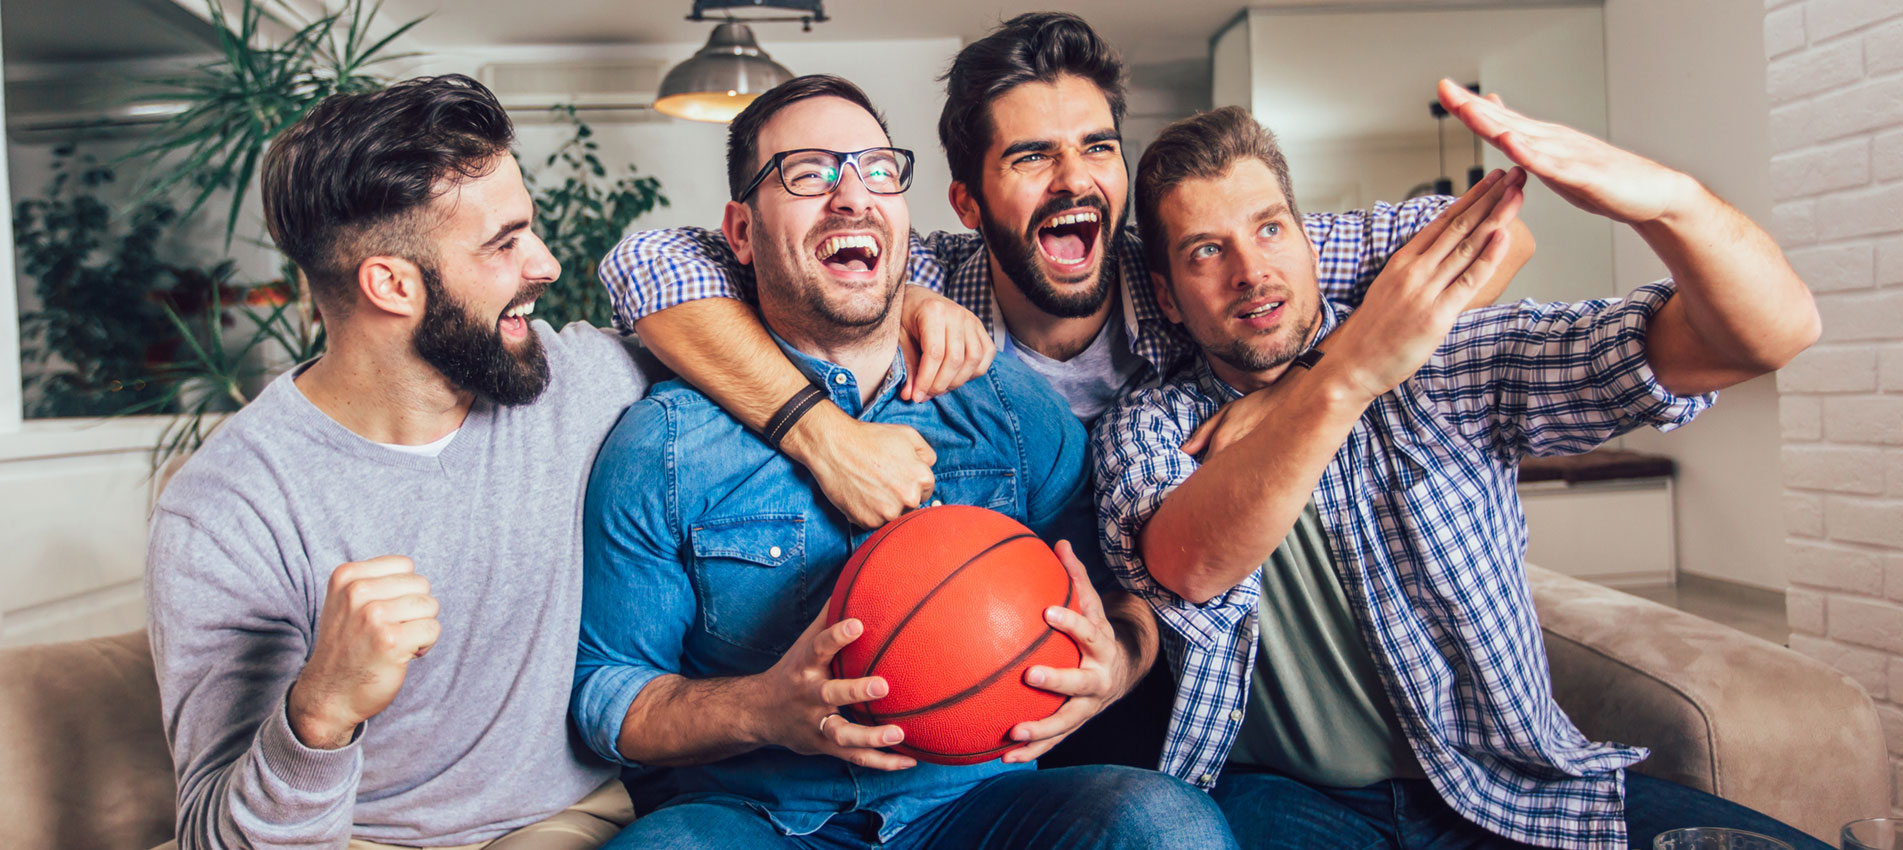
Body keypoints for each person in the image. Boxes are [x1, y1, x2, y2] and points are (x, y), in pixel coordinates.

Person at [596, 10, 1530, 768]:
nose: (1075, 178)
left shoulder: (1193, 267)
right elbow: (649, 263)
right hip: (975, 661)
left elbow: (1489, 238)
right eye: (1031, 156)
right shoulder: (926, 275)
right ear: (965, 203)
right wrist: (824, 434)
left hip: (1162, 647)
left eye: (1096, 146)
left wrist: (1295, 394)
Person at [1095, 91, 1825, 850]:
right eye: (1204, 252)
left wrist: (1672, 205)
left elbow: (1766, 337)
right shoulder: (1152, 425)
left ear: (1310, 243)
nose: (1250, 270)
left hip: (1509, 784)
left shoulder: (1443, 361)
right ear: (1166, 299)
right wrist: (1342, 379)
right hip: (1285, 800)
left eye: (1270, 229)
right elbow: (1190, 564)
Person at [572, 74, 1235, 850]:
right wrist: (763, 709)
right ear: (742, 234)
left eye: (878, 171)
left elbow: (1129, 603)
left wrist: (1112, 670)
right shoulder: (664, 446)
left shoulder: (1011, 412)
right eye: (809, 173)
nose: (851, 196)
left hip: (974, 805)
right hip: (752, 818)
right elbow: (607, 695)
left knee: (1167, 827)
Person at [145, 75, 650, 850]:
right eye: (504, 243)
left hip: (560, 821)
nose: (544, 264)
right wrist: (318, 713)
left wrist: (913, 298)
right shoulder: (226, 508)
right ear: (390, 283)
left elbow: (751, 307)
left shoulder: (575, 382)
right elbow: (215, 837)